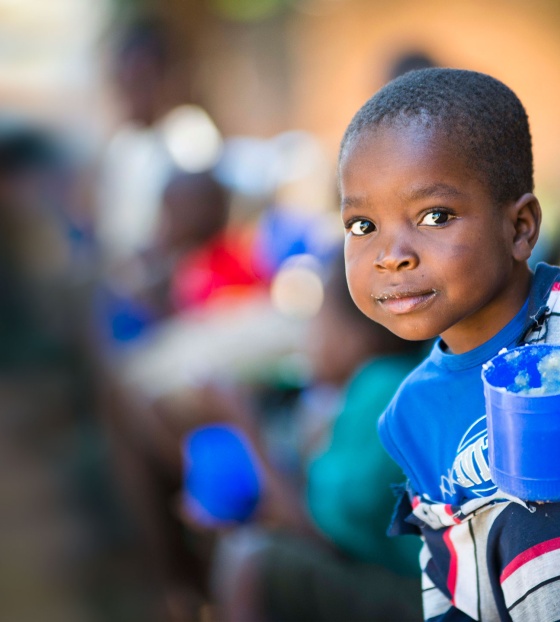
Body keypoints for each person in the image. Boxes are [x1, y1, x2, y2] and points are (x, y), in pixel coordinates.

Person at [339, 67, 560, 621]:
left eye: (434, 217)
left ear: (520, 228)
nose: (391, 255)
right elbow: (446, 579)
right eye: (363, 226)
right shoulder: (410, 415)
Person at [179, 247, 426, 622]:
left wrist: (242, 420)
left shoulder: (380, 390)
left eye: (320, 320)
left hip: (417, 596)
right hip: (397, 573)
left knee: (249, 558)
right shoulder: (377, 383)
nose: (309, 335)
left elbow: (316, 531)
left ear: (355, 337)